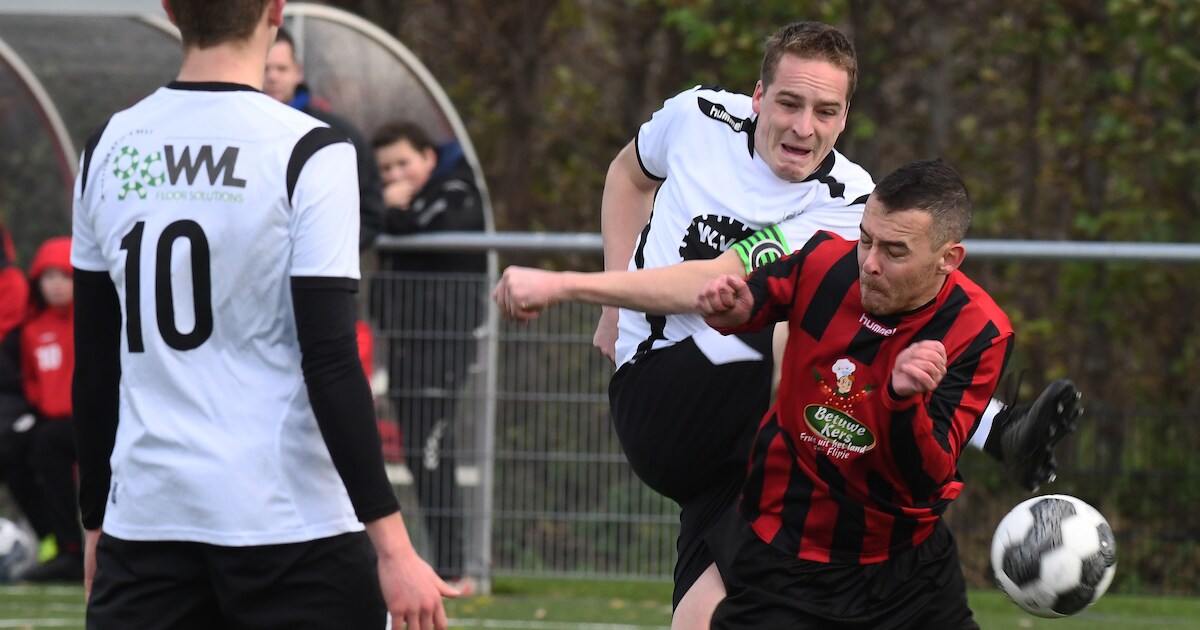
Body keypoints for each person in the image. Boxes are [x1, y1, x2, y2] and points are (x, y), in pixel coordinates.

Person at [493, 21, 1081, 628]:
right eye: (789, 103)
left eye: (826, 111)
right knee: (803, 319)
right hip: (665, 395)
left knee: (709, 613)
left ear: (845, 118)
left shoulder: (851, 200)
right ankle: (996, 429)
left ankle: (955, 465)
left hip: (753, 449)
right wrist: (596, 296)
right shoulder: (697, 117)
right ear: (757, 96)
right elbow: (634, 183)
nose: (804, 127)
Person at [71, 1, 455, 628]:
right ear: (275, 9)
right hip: (290, 524)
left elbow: (93, 366)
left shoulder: (107, 148)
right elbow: (330, 360)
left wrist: (96, 523)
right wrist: (392, 546)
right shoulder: (310, 150)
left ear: (168, 9)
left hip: (147, 523)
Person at [697, 158, 998, 628]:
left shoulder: (980, 330)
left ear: (948, 259)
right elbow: (755, 298)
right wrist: (729, 306)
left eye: (894, 251)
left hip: (905, 566)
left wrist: (903, 402)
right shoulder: (824, 261)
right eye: (865, 239)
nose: (870, 263)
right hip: (785, 548)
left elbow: (927, 476)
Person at [370, 120, 487, 592]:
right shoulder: (401, 201)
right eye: (385, 169)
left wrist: (385, 210)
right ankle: (445, 564)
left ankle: (453, 568)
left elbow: (429, 225)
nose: (395, 175)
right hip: (404, 343)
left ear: (429, 157)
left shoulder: (455, 191)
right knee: (418, 454)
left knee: (431, 451)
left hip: (441, 344)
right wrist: (386, 210)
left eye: (403, 163)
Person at [264, 26, 383, 251]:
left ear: (298, 72)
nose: (272, 77)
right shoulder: (236, 130)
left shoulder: (335, 134)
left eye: (281, 68)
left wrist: (326, 253)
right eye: (265, 68)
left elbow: (369, 210)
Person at [10, 237, 82, 582]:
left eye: (65, 275)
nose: (56, 284)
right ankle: (66, 546)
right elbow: (31, 379)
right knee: (32, 447)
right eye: (49, 276)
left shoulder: (96, 321)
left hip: (98, 423)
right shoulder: (33, 329)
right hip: (53, 427)